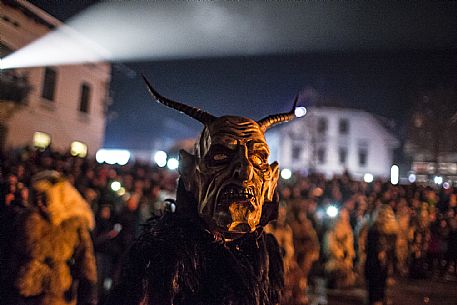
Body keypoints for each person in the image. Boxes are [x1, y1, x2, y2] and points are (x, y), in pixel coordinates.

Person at [106, 76, 302, 305]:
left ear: (272, 180)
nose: (245, 171)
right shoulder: (157, 257)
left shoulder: (267, 254)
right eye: (221, 156)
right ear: (189, 171)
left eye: (258, 158)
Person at [1, 170, 97, 305]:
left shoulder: (73, 223)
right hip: (23, 291)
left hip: (57, 292)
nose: (39, 202)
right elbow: (11, 252)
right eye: (37, 196)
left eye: (44, 196)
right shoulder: (26, 218)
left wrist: (87, 289)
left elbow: (86, 259)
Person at [365, 205, 399, 305]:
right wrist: (379, 250)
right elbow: (371, 244)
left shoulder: (392, 231)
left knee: (383, 279)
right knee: (375, 278)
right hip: (374, 259)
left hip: (386, 258)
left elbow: (392, 244)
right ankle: (375, 299)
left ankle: (381, 297)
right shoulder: (374, 229)